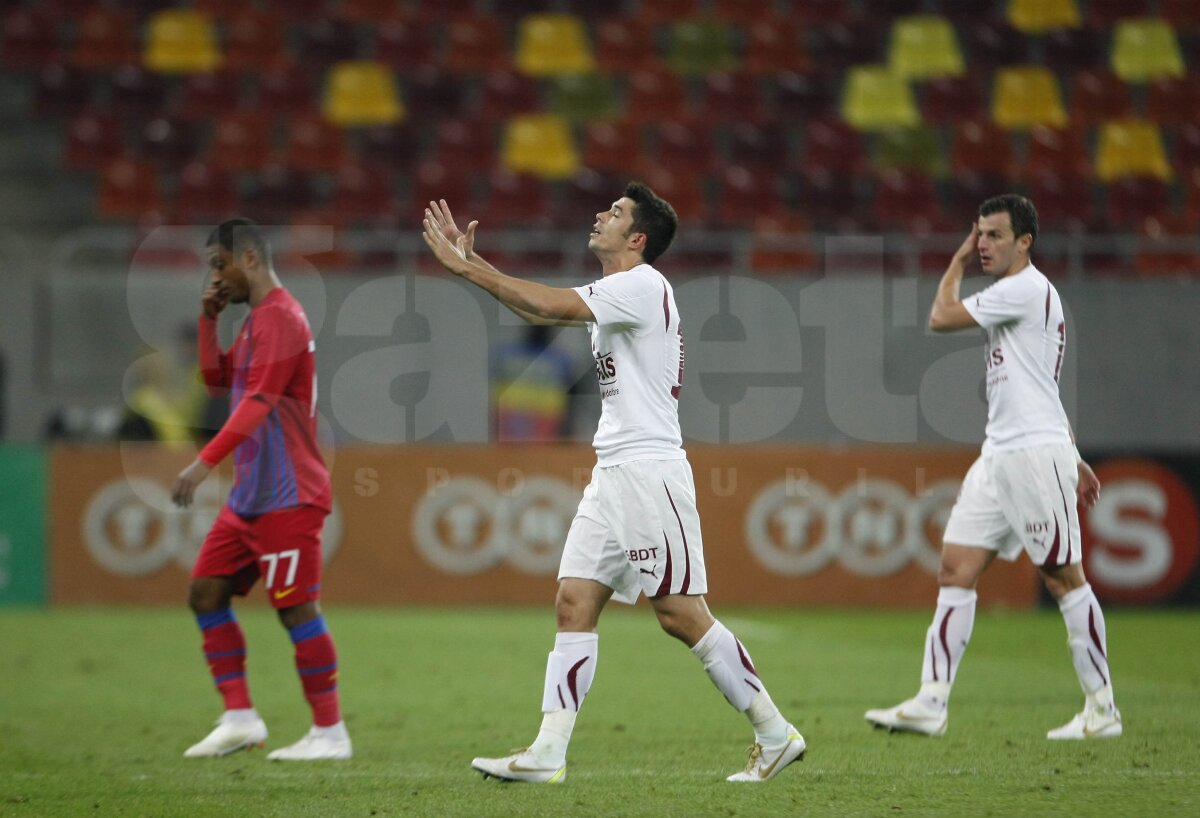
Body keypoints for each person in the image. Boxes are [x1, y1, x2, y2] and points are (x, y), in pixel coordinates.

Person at [421, 184, 805, 783]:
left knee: (680, 614)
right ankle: (548, 753)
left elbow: (548, 306)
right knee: (574, 602)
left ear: (638, 240)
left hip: (649, 470)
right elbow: (536, 309)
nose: (601, 215)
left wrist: (467, 269)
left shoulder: (643, 285)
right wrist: (470, 265)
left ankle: (774, 732)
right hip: (614, 471)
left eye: (617, 213)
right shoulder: (622, 294)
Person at [865, 194, 1119, 741]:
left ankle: (1102, 708)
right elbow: (1041, 384)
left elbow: (940, 317)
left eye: (995, 235)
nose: (982, 244)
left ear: (1025, 241)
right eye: (978, 234)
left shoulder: (1023, 289)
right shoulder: (1019, 297)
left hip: (1030, 452)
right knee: (956, 568)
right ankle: (931, 702)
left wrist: (954, 263)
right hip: (1001, 451)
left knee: (1062, 576)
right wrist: (1073, 454)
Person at [170, 218, 351, 761]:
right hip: (251, 495)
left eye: (218, 264)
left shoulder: (282, 318)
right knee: (205, 592)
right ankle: (240, 717)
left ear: (248, 258)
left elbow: (260, 401)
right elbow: (219, 381)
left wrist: (202, 464)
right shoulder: (254, 322)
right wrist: (209, 320)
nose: (216, 277)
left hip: (288, 492)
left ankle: (330, 733)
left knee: (296, 608)